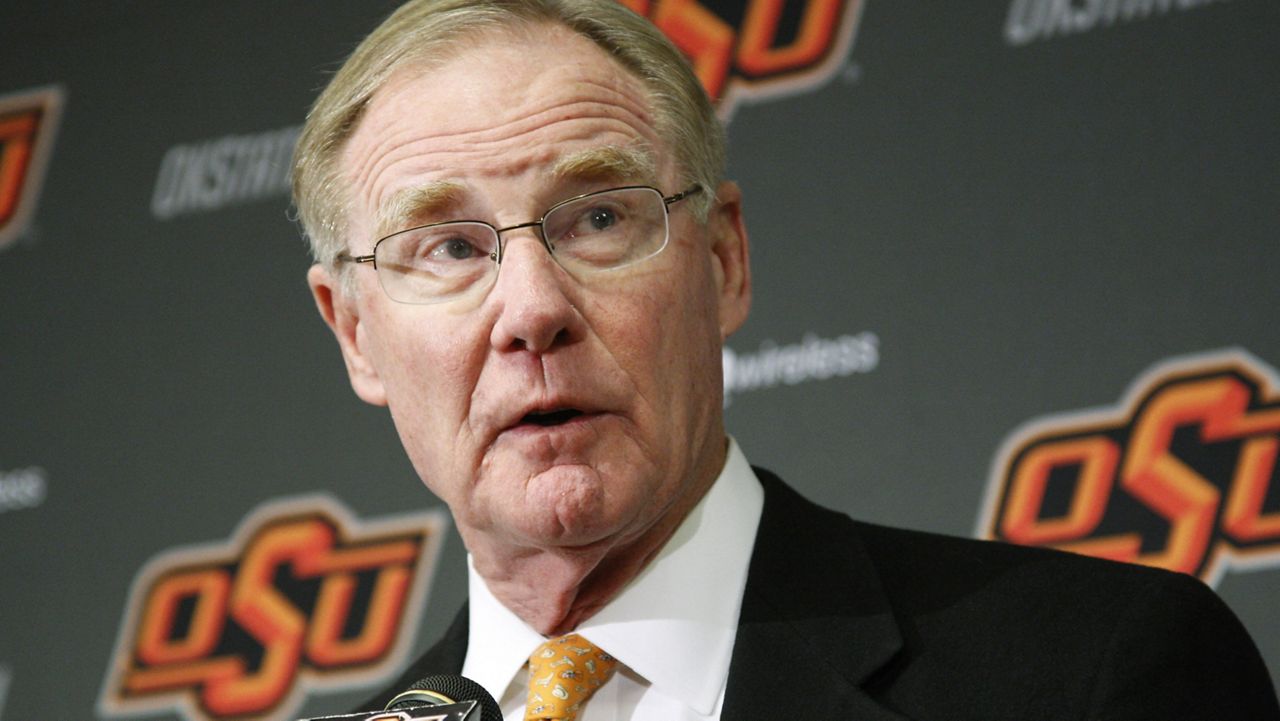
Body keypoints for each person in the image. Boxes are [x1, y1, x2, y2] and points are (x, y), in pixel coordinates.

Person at [292, 0, 1280, 718]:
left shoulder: (1092, 674)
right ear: (353, 334)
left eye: (597, 218)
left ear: (722, 260)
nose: (533, 310)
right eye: (451, 249)